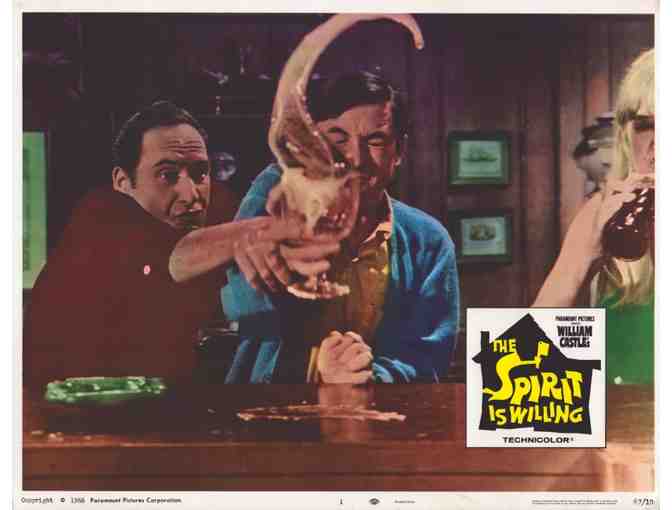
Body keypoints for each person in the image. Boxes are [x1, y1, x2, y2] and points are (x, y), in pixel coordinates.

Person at [24, 101, 317, 386]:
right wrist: (271, 230)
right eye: (167, 175)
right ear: (122, 182)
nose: (191, 195)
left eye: (201, 173)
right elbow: (168, 255)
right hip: (66, 409)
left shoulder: (222, 209)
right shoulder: (99, 214)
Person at [219, 71, 460, 384]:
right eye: (337, 139)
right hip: (267, 403)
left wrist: (366, 373)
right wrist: (318, 366)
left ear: (398, 151)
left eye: (375, 141)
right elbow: (245, 308)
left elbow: (428, 358)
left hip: (380, 406)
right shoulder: (275, 204)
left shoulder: (428, 241)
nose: (355, 158)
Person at [533, 49, 654, 385]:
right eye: (646, 125)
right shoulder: (599, 215)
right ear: (626, 136)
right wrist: (583, 260)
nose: (658, 144)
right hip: (618, 416)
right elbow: (519, 380)